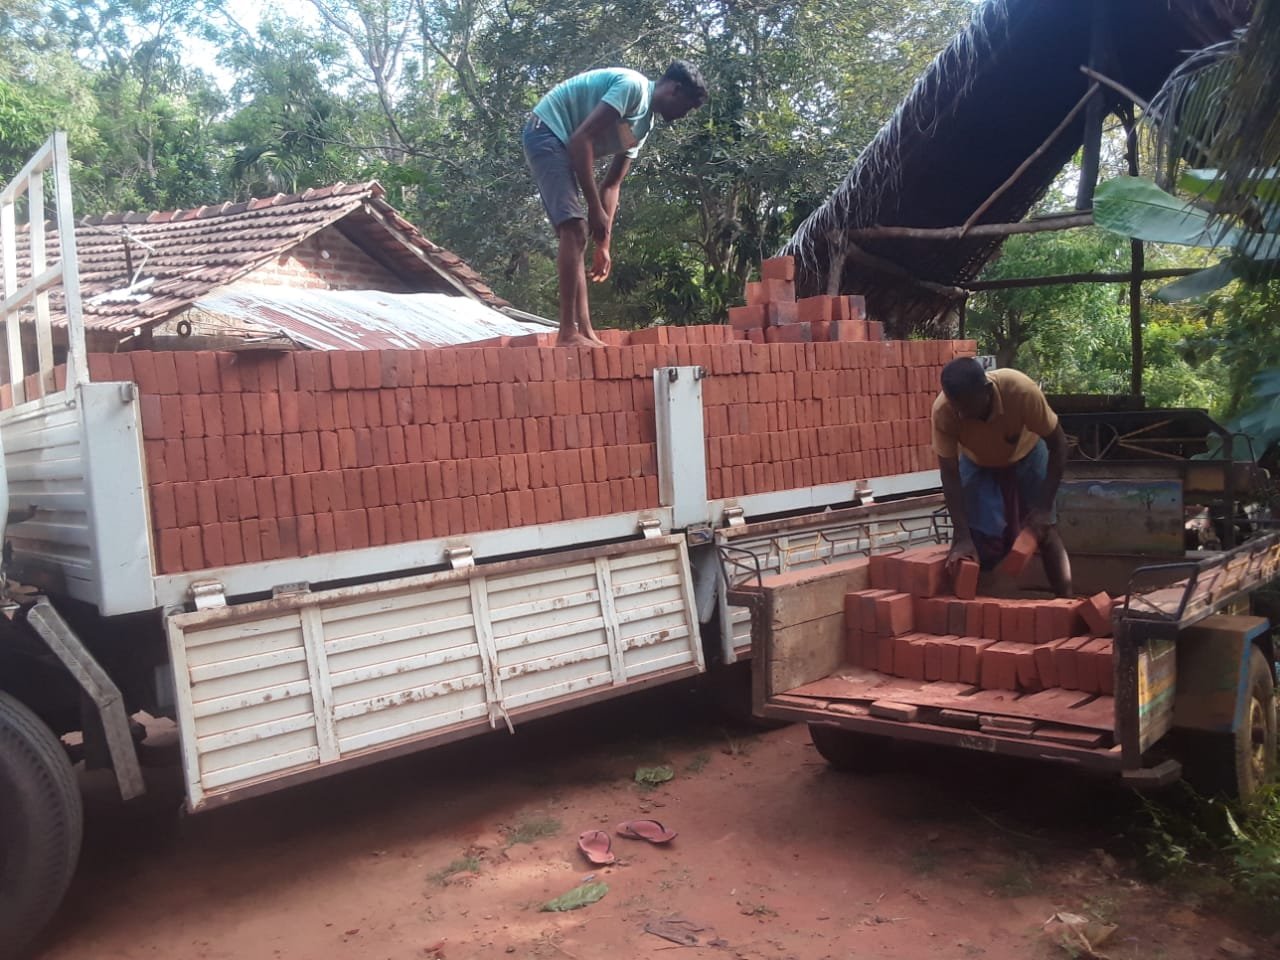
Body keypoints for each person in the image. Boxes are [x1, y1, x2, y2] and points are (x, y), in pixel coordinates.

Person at [522, 62, 708, 346]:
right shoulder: (633, 88)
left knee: (577, 235)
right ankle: (567, 333)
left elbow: (612, 185)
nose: (685, 114)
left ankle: (585, 332)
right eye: (687, 106)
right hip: (546, 131)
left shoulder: (642, 126)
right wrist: (593, 207)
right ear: (675, 89)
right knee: (575, 229)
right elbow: (580, 140)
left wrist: (604, 244)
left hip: (563, 142)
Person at [931, 357, 1072, 596]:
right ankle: (977, 603)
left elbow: (1059, 445)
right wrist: (962, 535)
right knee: (977, 536)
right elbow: (950, 474)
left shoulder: (1021, 391)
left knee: (1044, 529)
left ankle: (1067, 600)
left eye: (967, 407)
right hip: (977, 460)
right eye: (956, 408)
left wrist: (1044, 506)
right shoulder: (944, 411)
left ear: (986, 391)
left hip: (1027, 452)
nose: (961, 415)